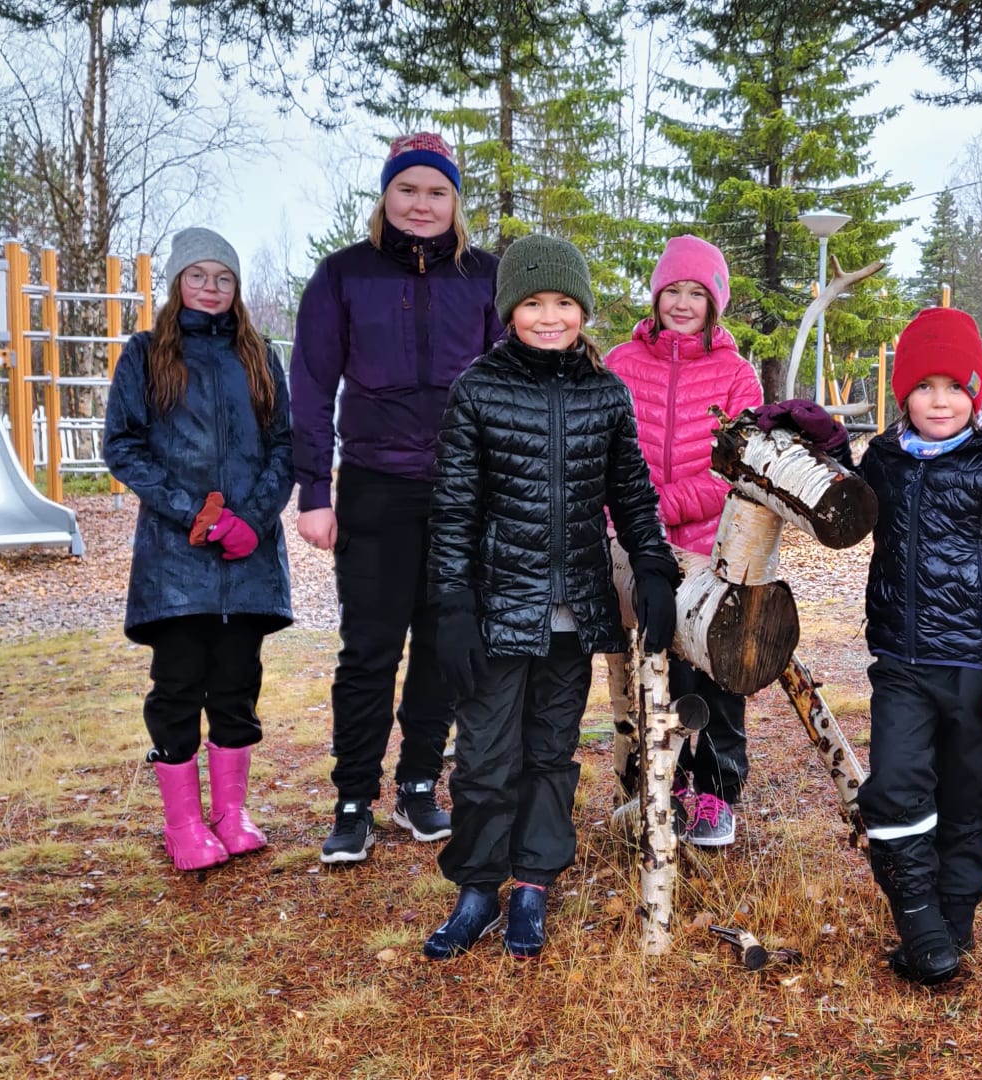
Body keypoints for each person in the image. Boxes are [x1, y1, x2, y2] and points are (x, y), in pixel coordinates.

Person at [421, 234, 681, 960]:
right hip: (496, 611)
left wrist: (653, 565)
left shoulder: (606, 394)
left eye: (563, 303)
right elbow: (454, 510)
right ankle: (478, 889)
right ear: (509, 309)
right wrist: (452, 603)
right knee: (485, 758)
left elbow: (632, 494)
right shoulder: (478, 389)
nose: (549, 317)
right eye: (533, 303)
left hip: (575, 610)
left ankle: (533, 883)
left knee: (551, 752)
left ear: (582, 311)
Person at [291, 133, 503, 864]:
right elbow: (312, 386)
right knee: (370, 649)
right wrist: (314, 492)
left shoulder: (485, 277)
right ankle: (353, 799)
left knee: (444, 644)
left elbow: (510, 382)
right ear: (386, 195)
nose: (421, 204)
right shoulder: (343, 275)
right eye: (407, 189)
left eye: (437, 192)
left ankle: (418, 785)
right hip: (374, 487)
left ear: (455, 201)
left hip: (462, 490)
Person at [848, 306, 982, 985]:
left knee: (965, 798)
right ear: (903, 394)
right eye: (924, 386)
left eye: (955, 387)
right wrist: (817, 446)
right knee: (894, 788)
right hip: (902, 664)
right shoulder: (884, 461)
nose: (940, 401)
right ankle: (921, 925)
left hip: (976, 666)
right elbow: (844, 507)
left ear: (977, 393)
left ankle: (954, 923)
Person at [105, 227, 294, 872]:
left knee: (238, 683)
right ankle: (183, 823)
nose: (211, 288)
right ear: (177, 282)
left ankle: (230, 813)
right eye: (198, 276)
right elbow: (123, 445)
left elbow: (284, 446)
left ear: (236, 288)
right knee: (179, 684)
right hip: (175, 560)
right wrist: (196, 514)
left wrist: (253, 519)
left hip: (248, 558)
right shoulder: (145, 355)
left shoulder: (260, 357)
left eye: (223, 278)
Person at [604, 235, 763, 847]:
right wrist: (629, 517)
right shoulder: (621, 363)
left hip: (712, 546)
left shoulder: (736, 374)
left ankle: (718, 789)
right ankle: (658, 784)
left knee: (718, 669)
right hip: (633, 546)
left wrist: (659, 505)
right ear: (656, 295)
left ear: (714, 303)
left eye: (697, 293)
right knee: (648, 670)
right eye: (673, 290)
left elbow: (736, 470)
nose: (683, 303)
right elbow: (600, 451)